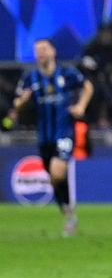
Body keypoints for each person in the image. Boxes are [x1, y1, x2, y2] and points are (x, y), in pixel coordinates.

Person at [6, 38, 93, 236]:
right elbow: (17, 104)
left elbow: (88, 86)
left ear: (53, 51)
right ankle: (68, 213)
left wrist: (81, 106)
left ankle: (69, 213)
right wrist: (22, 102)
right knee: (54, 178)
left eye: (44, 49)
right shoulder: (30, 78)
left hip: (64, 132)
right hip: (44, 137)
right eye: (38, 50)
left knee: (57, 171)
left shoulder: (67, 73)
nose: (41, 53)